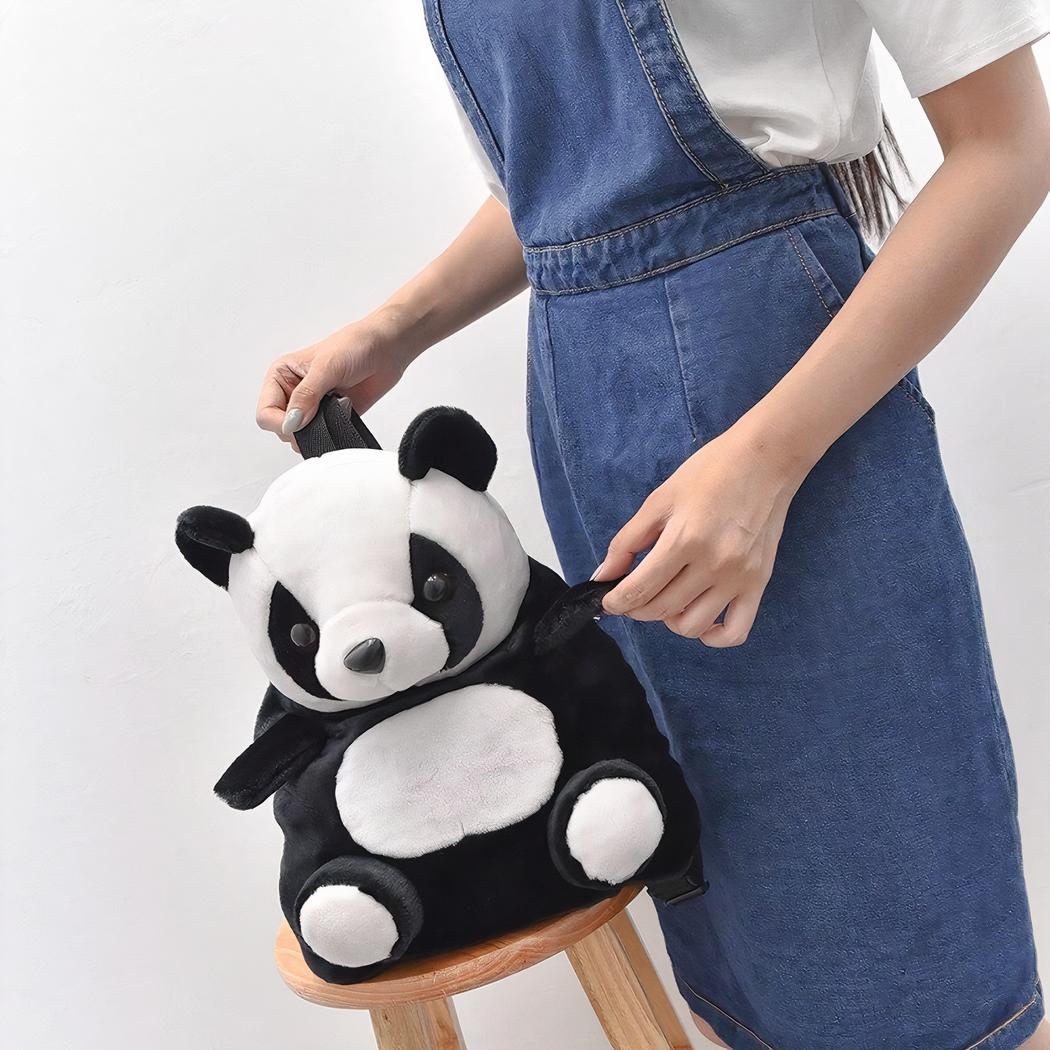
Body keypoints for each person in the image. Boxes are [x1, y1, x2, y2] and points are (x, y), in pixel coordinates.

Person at [255, 2, 1050, 1047]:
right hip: (588, 402)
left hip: (782, 380)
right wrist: (395, 327)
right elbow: (569, 189)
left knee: (884, 893)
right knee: (719, 880)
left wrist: (767, 461)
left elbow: (1006, 146)